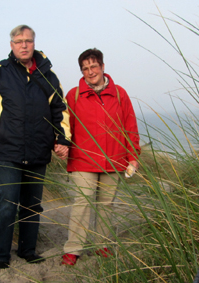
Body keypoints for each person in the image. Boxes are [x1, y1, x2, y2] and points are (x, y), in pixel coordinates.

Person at [0, 25, 71, 269]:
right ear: (11, 45)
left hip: (38, 149)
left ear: (34, 43)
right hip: (8, 148)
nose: (24, 45)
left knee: (32, 204)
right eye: (19, 41)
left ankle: (27, 250)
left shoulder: (49, 74)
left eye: (28, 40)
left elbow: (60, 109)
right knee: (7, 202)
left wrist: (62, 139)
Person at [61, 48, 141, 266]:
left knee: (106, 205)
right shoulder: (73, 94)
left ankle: (102, 245)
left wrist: (133, 157)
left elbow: (130, 126)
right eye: (85, 68)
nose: (90, 72)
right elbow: (65, 127)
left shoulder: (120, 93)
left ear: (103, 67)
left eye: (93, 66)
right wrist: (61, 144)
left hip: (114, 160)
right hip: (82, 160)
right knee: (82, 203)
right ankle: (73, 250)